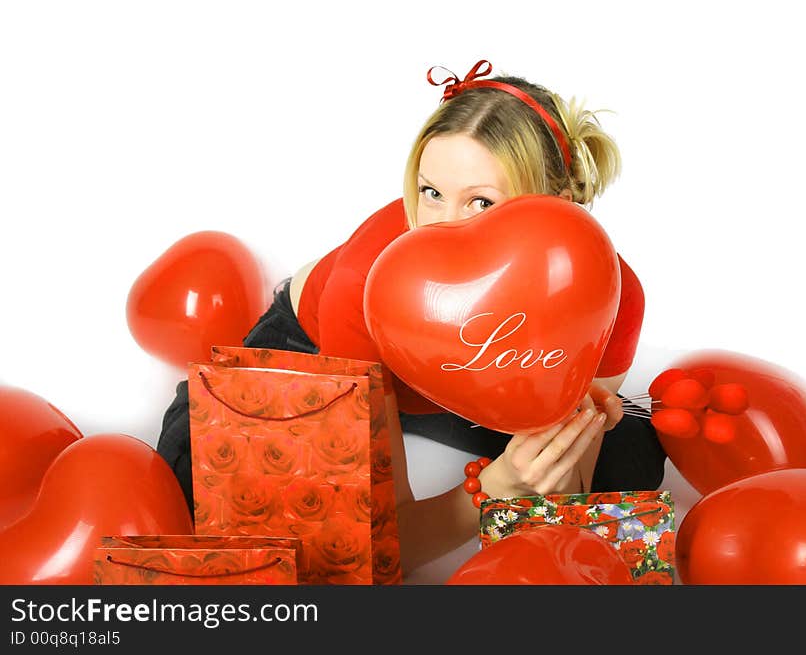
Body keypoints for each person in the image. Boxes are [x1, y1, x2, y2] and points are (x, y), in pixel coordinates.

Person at [157, 60, 666, 576]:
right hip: (324, 343)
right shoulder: (366, 287)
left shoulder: (609, 297)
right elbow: (379, 549)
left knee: (630, 463)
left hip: (471, 376)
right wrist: (498, 489)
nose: (441, 228)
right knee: (190, 482)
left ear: (557, 204)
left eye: (481, 201)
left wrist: (551, 468)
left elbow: (568, 499)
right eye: (431, 193)